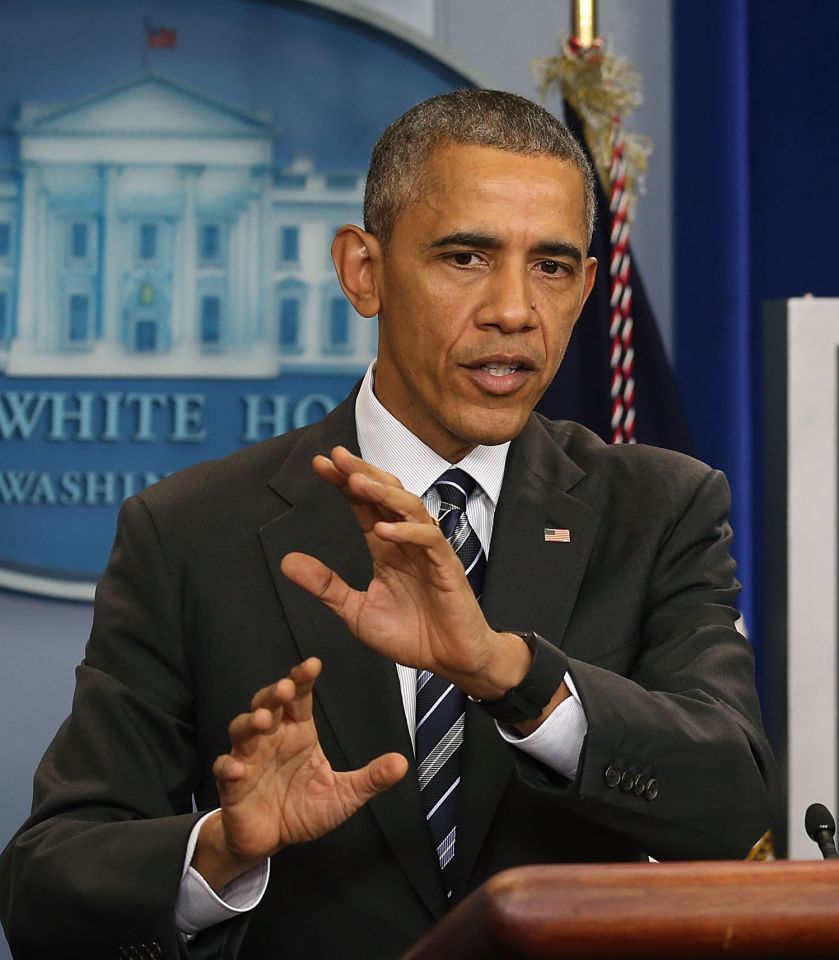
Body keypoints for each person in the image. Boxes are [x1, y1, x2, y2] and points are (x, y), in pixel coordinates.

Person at [0, 89, 776, 959]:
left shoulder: (662, 507)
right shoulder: (189, 531)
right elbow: (46, 883)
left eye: (552, 267)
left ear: (588, 287)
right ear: (363, 271)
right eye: (467, 257)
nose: (514, 310)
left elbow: (734, 803)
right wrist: (223, 849)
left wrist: (510, 675)